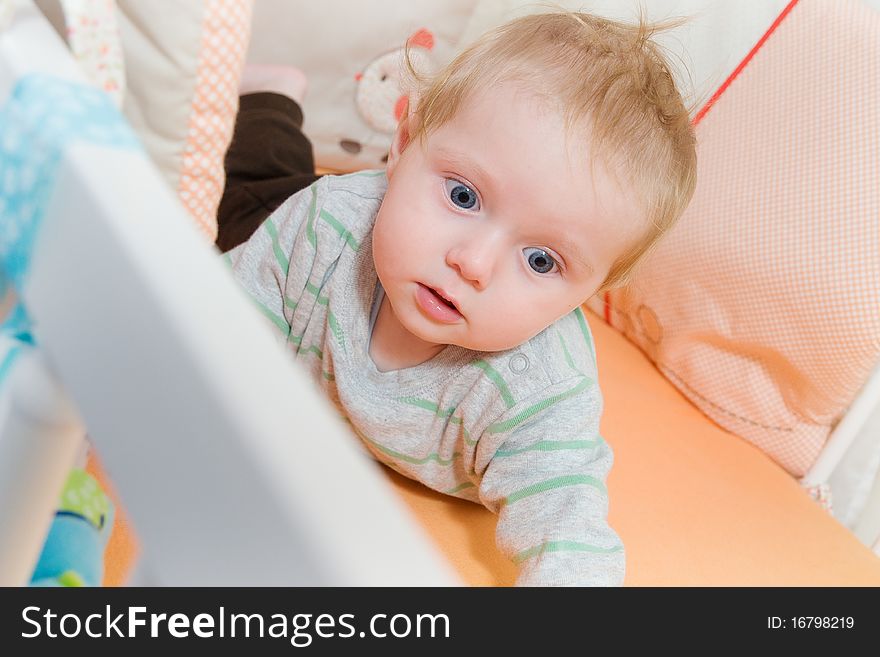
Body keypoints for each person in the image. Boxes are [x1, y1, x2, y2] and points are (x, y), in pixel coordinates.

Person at [220, 11, 697, 586]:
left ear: (589, 294)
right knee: (251, 191)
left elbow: (570, 533)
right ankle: (272, 98)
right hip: (318, 226)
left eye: (541, 261)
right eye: (465, 196)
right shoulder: (327, 226)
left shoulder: (538, 389)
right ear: (404, 142)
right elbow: (211, 328)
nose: (471, 264)